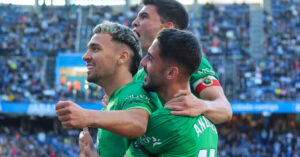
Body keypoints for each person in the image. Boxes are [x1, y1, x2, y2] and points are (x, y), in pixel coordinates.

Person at [55, 21, 159, 157]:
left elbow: (138, 122)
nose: (85, 56)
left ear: (122, 57)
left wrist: (87, 116)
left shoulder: (135, 91)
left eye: (95, 49)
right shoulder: (112, 103)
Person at [132, 0, 232, 124]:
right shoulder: (141, 74)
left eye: (144, 17)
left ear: (167, 27)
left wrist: (203, 105)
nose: (134, 23)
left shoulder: (186, 61)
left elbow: (225, 109)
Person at [127, 29, 218, 156]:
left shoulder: (166, 120)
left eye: (151, 58)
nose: (143, 62)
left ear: (171, 72)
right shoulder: (209, 121)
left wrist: (90, 152)